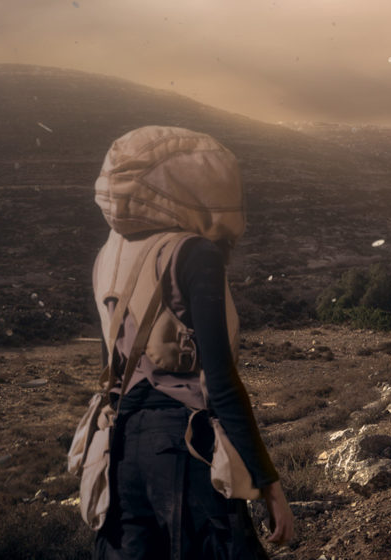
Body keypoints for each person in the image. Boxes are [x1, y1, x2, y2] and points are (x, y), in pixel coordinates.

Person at [90, 125, 294, 559]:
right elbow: (220, 381)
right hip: (182, 446)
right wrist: (268, 481)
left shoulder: (110, 255)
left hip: (120, 447)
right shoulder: (193, 253)